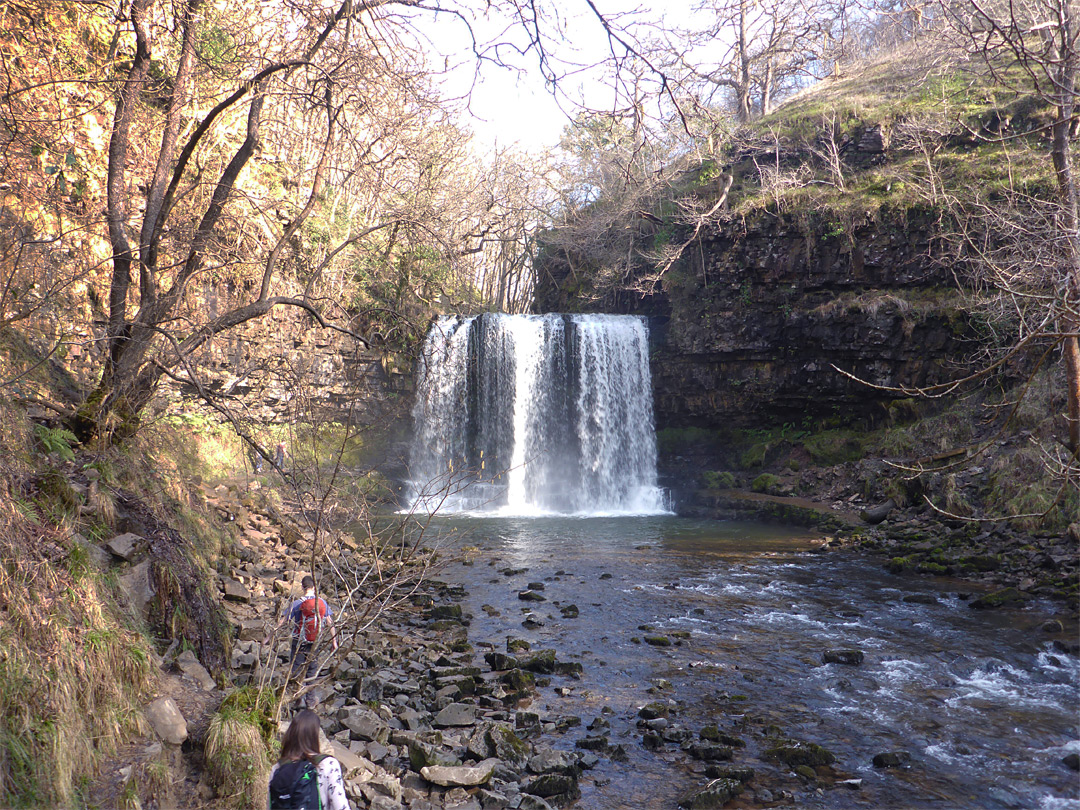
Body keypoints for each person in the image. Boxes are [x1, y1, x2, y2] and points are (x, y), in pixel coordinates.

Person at [265, 575, 338, 705]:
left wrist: (269, 636)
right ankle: (310, 701)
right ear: (314, 587)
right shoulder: (321, 602)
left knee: (296, 670)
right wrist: (334, 641)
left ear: (303, 588)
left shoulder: (297, 603)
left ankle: (298, 700)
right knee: (311, 670)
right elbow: (329, 622)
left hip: (299, 641)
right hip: (314, 642)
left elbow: (283, 621)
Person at [268, 709, 351, 810]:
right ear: (314, 736)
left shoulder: (277, 768)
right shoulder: (328, 764)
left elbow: (271, 805)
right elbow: (340, 806)